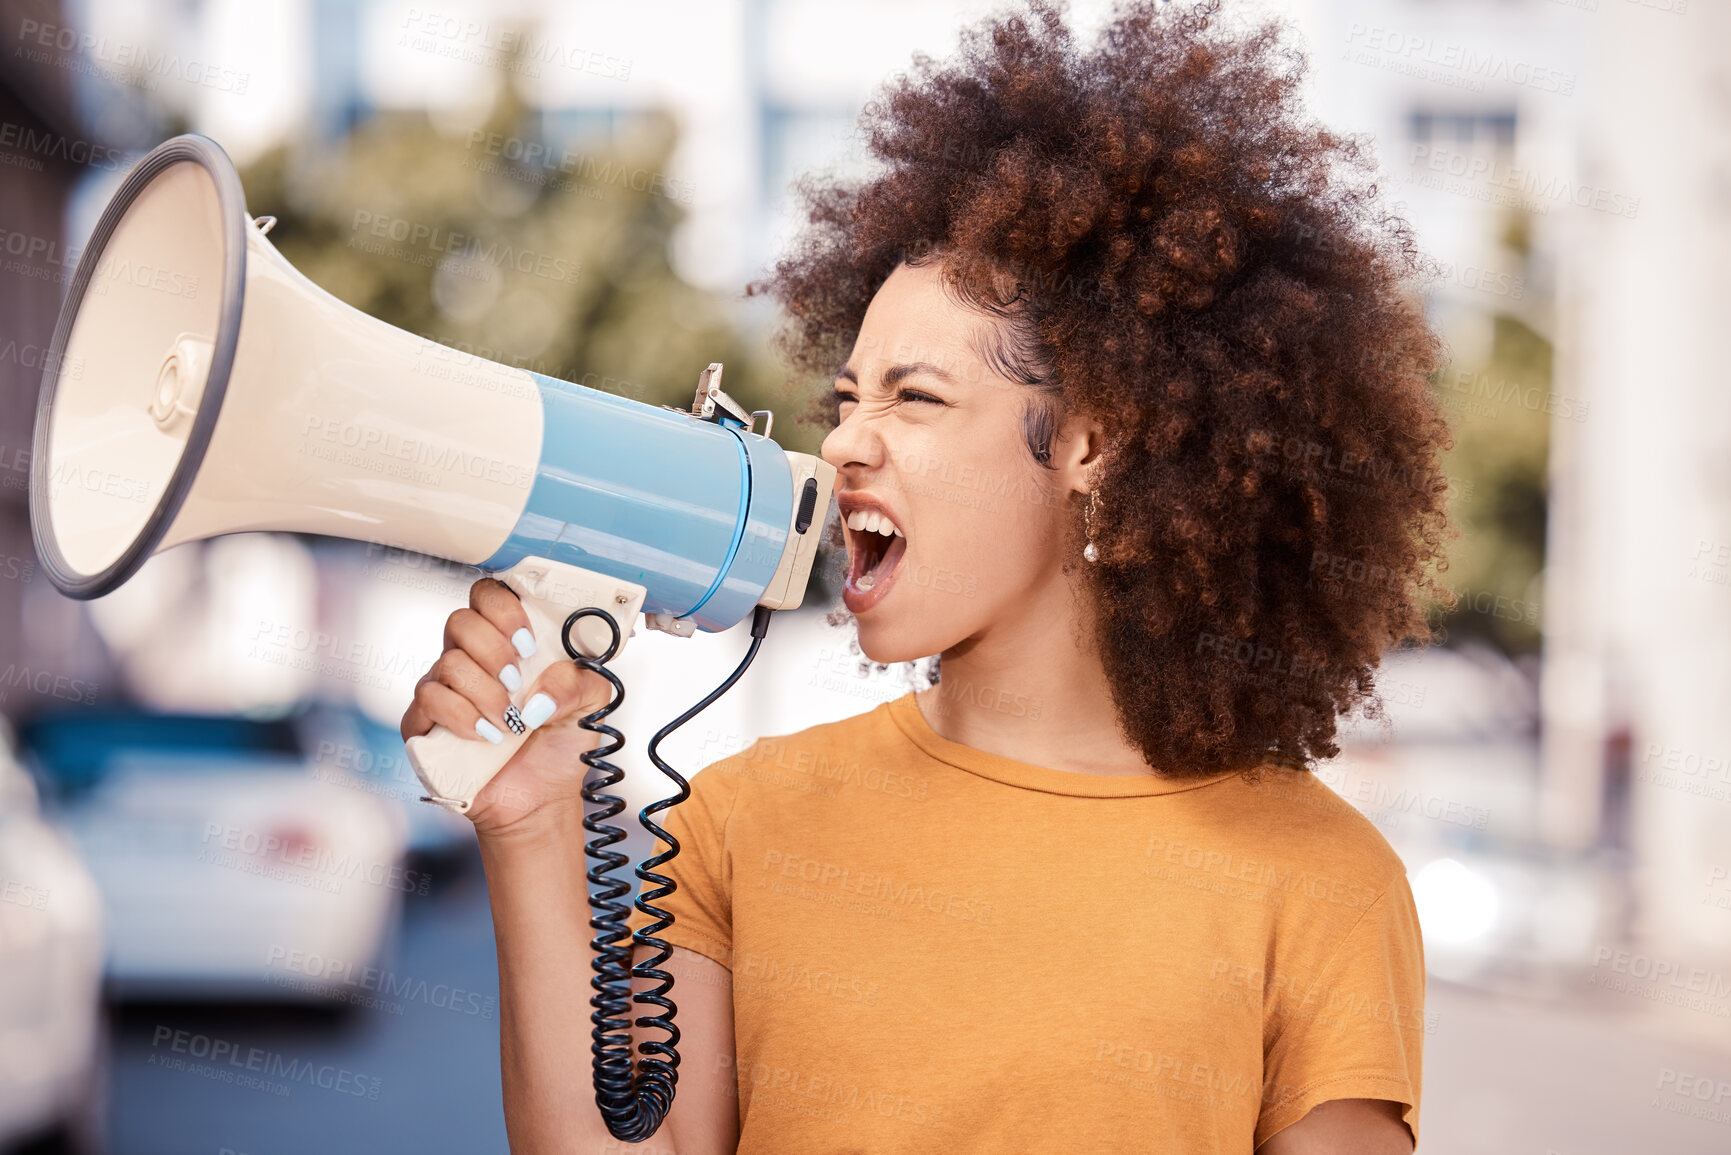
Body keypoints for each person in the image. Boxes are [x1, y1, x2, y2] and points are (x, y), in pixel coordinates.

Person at [399, 0, 1454, 1150]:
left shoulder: (1321, 884)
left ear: (1092, 445)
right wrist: (537, 818)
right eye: (847, 399)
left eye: (917, 396)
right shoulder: (741, 823)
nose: (844, 444)